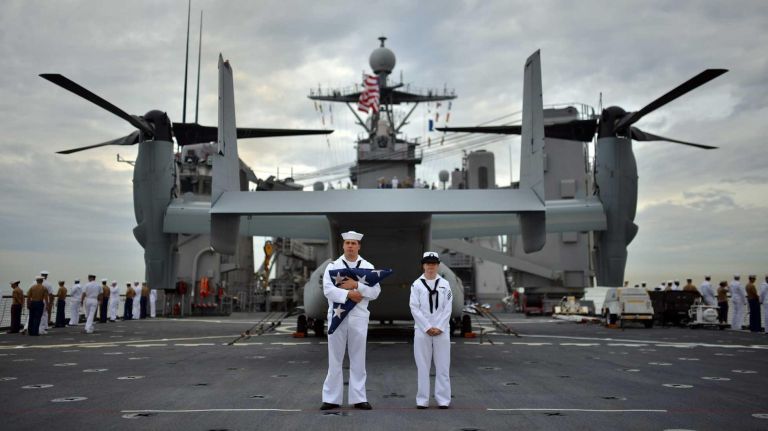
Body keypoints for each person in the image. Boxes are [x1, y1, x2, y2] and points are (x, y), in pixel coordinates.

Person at [320, 230, 381, 411]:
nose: (350, 246)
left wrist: (357, 286)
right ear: (343, 245)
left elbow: (376, 292)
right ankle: (331, 398)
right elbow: (328, 290)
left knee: (358, 359)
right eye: (348, 243)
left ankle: (359, 398)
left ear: (359, 246)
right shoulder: (332, 266)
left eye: (354, 243)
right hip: (337, 317)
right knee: (335, 358)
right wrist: (349, 294)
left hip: (358, 318)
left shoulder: (368, 266)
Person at [410, 251, 452, 409]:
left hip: (442, 331)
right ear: (423, 265)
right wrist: (427, 327)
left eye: (433, 263)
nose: (431, 266)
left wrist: (439, 327)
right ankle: (422, 400)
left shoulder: (445, 284)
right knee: (422, 366)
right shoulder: (417, 285)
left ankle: (443, 400)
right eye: (428, 263)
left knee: (443, 366)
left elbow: (448, 308)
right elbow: (414, 307)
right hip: (422, 331)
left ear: (438, 265)